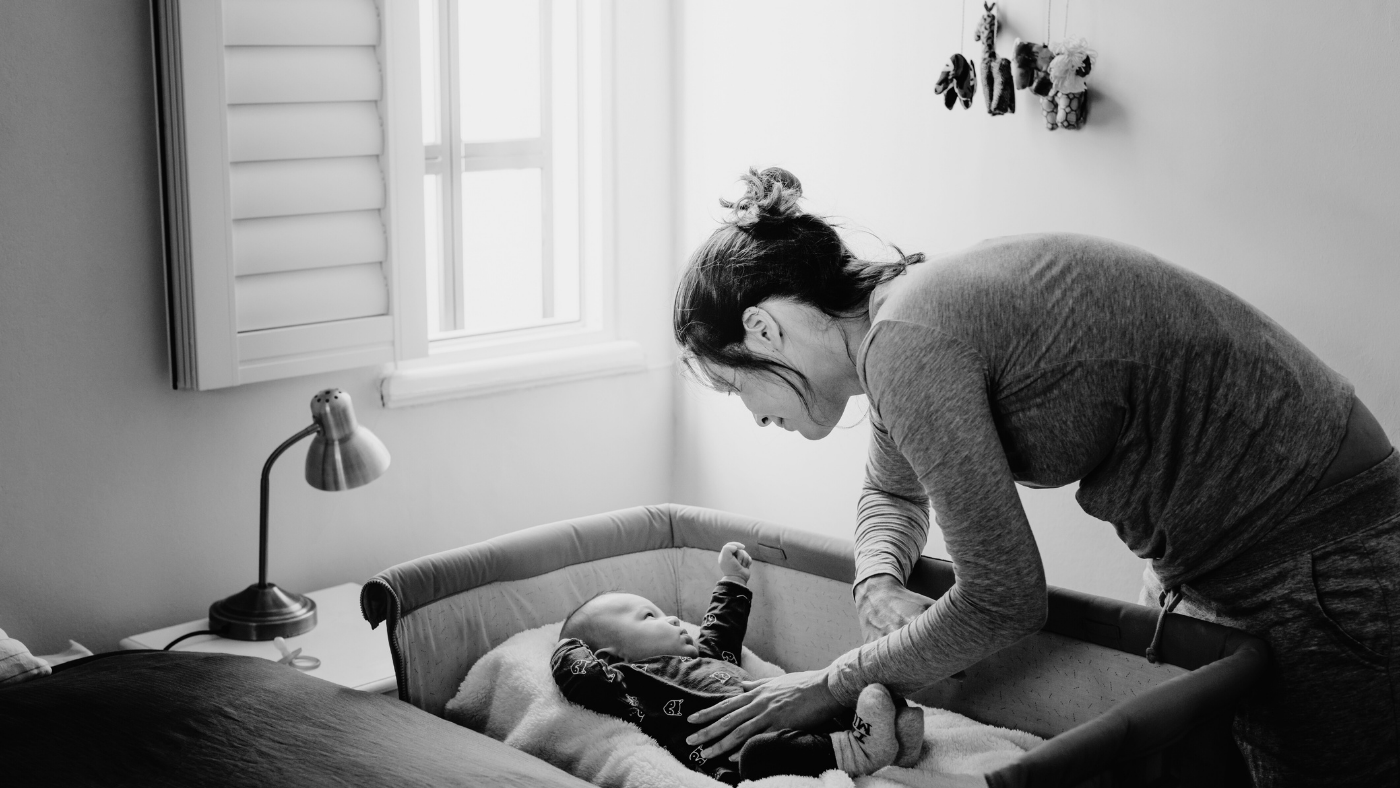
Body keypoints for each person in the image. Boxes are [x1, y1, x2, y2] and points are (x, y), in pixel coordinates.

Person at [671, 167, 1398, 788]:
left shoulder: (909, 345)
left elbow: (1004, 600)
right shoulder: (899, 321)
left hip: (1315, 551)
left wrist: (832, 683)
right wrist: (877, 582)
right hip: (1218, 552)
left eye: (738, 391)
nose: (757, 417)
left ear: (763, 331)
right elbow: (891, 492)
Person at [551, 541, 924, 783]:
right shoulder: (629, 685)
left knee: (842, 693)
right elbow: (579, 677)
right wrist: (565, 645)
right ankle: (856, 750)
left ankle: (889, 740)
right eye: (650, 618)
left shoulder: (705, 657)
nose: (673, 619)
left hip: (789, 712)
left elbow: (721, 631)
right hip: (739, 755)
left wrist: (733, 579)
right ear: (609, 657)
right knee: (761, 754)